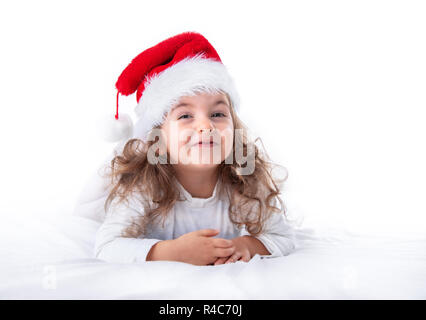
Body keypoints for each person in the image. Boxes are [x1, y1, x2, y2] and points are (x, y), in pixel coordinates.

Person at [75, 31, 296, 266]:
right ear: (157, 141)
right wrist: (172, 252)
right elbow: (108, 246)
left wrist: (246, 245)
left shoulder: (244, 184)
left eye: (218, 114)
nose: (205, 125)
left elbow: (283, 237)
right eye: (186, 115)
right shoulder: (143, 188)